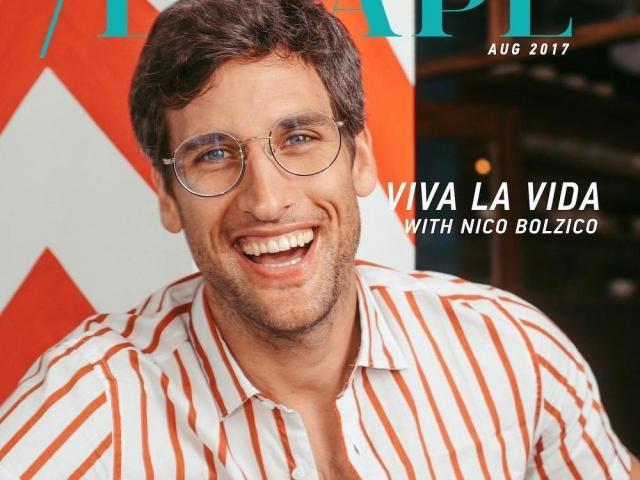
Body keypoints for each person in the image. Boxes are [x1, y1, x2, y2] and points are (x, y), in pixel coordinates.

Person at [0, 0, 638, 478]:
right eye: (213, 154)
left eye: (300, 138)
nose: (266, 200)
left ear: (361, 158)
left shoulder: (510, 349)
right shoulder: (95, 403)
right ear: (168, 195)